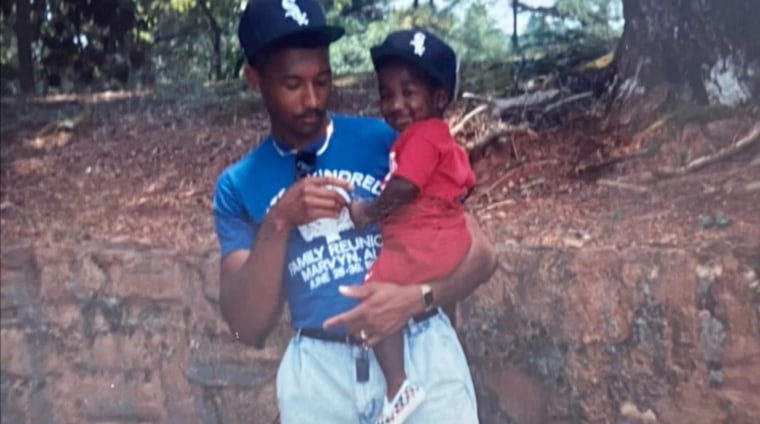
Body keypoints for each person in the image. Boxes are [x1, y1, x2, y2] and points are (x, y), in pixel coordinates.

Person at [212, 0, 496, 423]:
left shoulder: (390, 141)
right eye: (292, 84)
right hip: (321, 379)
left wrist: (413, 300)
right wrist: (279, 221)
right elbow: (245, 327)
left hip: (416, 350)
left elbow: (480, 253)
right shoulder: (239, 185)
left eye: (322, 81)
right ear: (255, 79)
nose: (312, 99)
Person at [348, 29, 475, 424]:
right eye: (387, 94)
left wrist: (367, 211)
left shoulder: (420, 139)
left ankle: (397, 387)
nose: (396, 104)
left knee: (373, 298)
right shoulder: (440, 138)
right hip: (445, 238)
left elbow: (405, 187)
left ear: (439, 99)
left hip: (423, 241)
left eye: (409, 93)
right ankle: (447, 318)